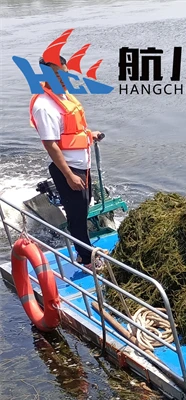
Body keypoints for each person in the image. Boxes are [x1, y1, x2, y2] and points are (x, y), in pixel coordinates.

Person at [30, 53, 103, 266]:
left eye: (63, 73)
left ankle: (83, 253)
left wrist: (91, 134)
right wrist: (69, 175)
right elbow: (50, 144)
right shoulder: (44, 105)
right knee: (77, 217)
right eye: (54, 74)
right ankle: (88, 260)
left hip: (83, 165)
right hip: (69, 169)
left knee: (83, 208)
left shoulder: (64, 96)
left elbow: (72, 131)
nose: (60, 78)